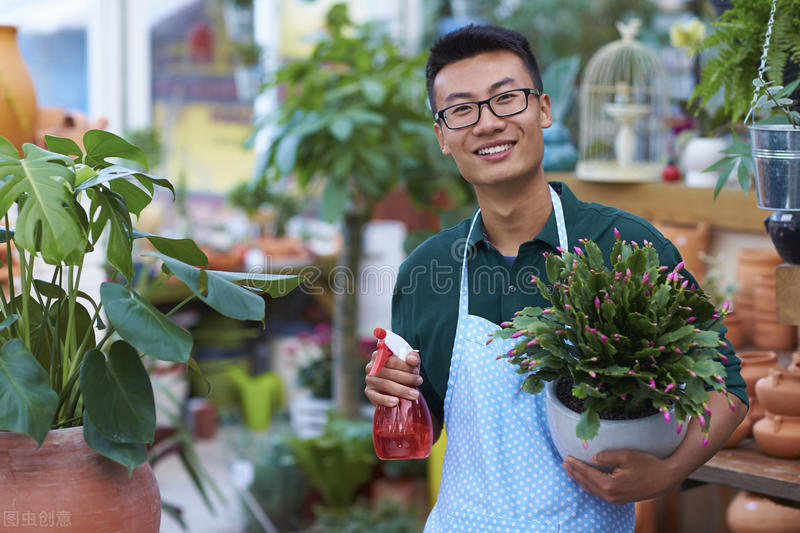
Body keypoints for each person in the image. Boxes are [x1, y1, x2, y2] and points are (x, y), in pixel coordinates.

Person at [364, 24, 748, 532]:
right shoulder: (427, 270)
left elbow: (727, 385)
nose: (487, 123)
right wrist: (395, 393)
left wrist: (667, 473)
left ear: (542, 110)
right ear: (442, 136)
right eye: (462, 109)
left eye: (506, 98)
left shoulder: (623, 245)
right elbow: (425, 426)